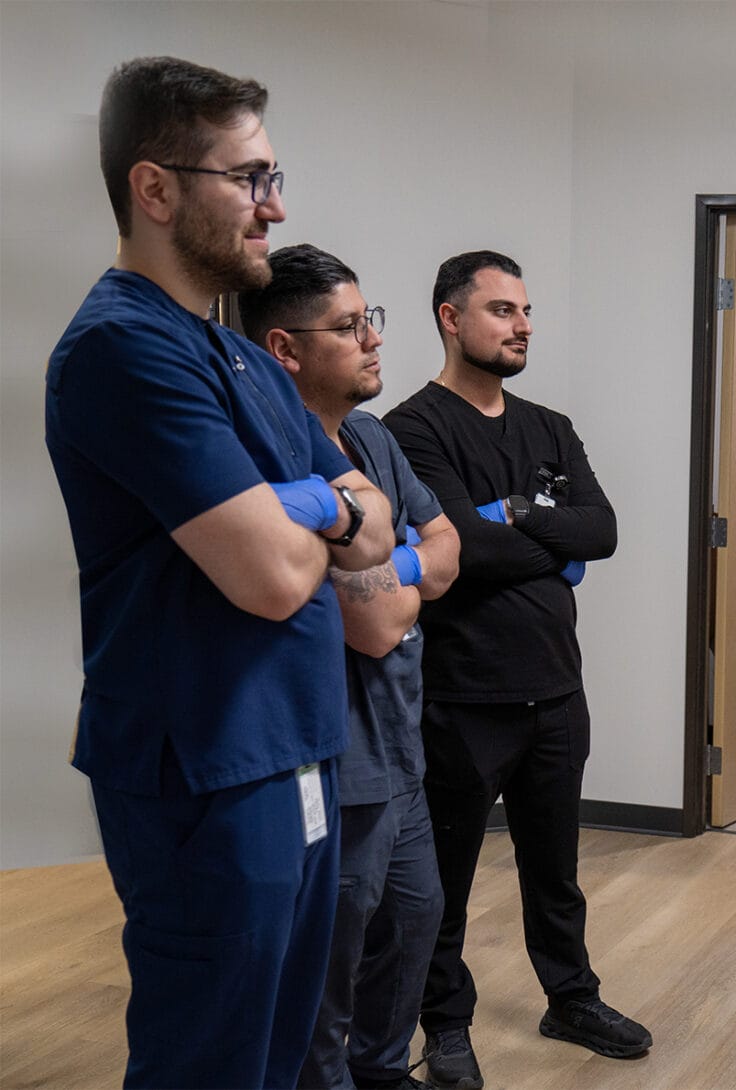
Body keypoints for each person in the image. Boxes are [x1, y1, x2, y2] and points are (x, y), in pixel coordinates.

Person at [43, 57, 394, 1089]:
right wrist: (324, 507)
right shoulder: (121, 350)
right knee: (210, 1058)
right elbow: (276, 581)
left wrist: (311, 507)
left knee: (284, 1048)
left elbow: (371, 524)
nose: (274, 206)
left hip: (299, 751)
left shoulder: (241, 357)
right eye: (248, 178)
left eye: (272, 174)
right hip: (206, 770)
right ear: (154, 189)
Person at [383, 250, 648, 1090]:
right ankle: (446, 1026)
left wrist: (515, 516)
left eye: (526, 311)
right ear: (450, 319)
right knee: (443, 886)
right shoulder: (410, 430)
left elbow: (602, 530)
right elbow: (455, 551)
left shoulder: (549, 426)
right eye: (501, 310)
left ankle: (570, 997)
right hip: (462, 697)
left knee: (555, 870)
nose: (522, 325)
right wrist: (543, 543)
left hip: (556, 693)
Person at [241, 244, 463, 1090]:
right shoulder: (271, 461)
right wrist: (397, 564)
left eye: (371, 319)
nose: (373, 339)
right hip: (338, 762)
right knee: (335, 953)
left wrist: (391, 562)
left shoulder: (369, 437)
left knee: (415, 920)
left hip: (401, 748)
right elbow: (368, 627)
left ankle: (381, 1072)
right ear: (284, 349)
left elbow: (445, 551)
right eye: (347, 326)